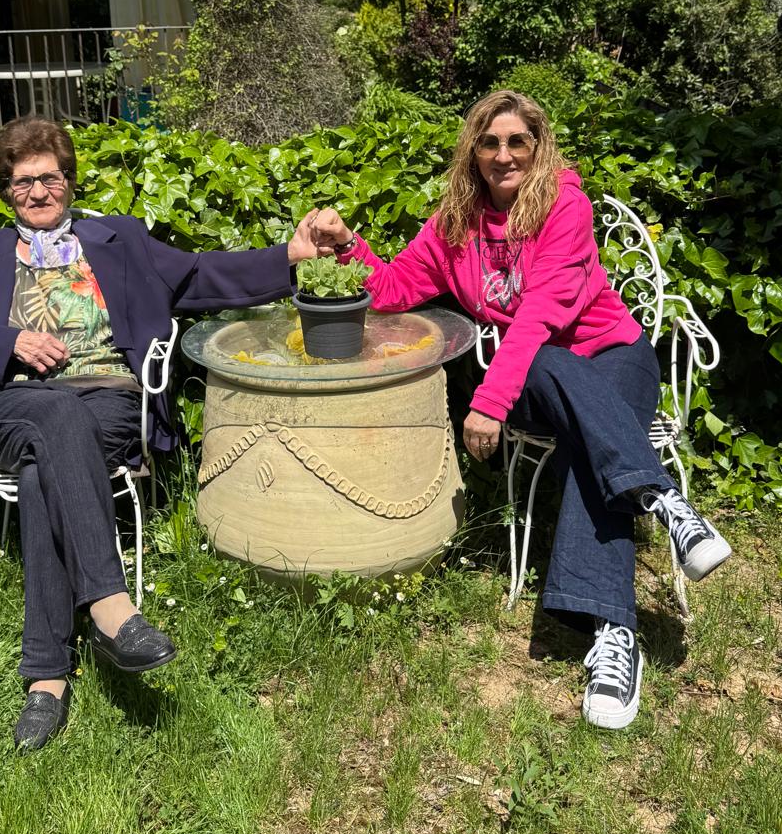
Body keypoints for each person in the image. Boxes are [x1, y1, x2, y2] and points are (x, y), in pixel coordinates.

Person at [305, 89, 731, 730]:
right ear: (473, 151)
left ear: (537, 148)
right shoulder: (454, 225)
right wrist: (346, 244)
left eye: (517, 143)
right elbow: (393, 288)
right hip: (534, 373)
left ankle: (614, 639)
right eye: (489, 142)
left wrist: (489, 400)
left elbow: (540, 314)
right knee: (544, 364)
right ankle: (661, 499)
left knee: (585, 436)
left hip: (613, 355)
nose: (503, 156)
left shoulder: (565, 206)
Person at [0, 115, 320, 752]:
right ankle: (111, 608)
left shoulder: (118, 240)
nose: (38, 192)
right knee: (51, 427)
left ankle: (46, 679)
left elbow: (198, 276)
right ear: (4, 191)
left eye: (50, 178)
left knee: (45, 472)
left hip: (108, 401)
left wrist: (290, 255)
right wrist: (6, 341)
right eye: (22, 183)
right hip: (11, 408)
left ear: (69, 181)